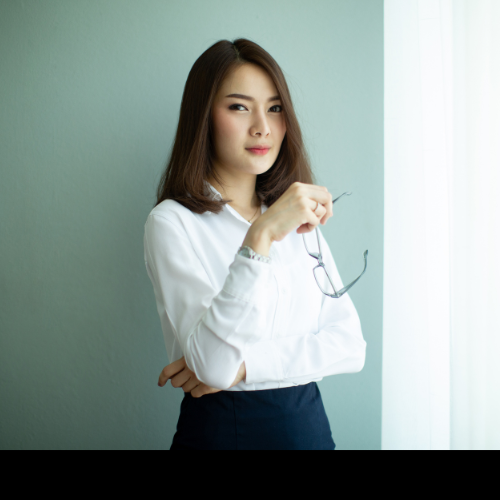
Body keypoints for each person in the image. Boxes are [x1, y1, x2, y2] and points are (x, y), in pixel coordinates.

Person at [143, 38, 366, 450]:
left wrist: (245, 366)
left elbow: (350, 346)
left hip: (309, 429)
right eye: (239, 107)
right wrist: (260, 235)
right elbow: (213, 367)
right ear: (203, 117)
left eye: (275, 108)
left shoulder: (299, 220)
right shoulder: (172, 222)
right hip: (220, 433)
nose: (262, 126)